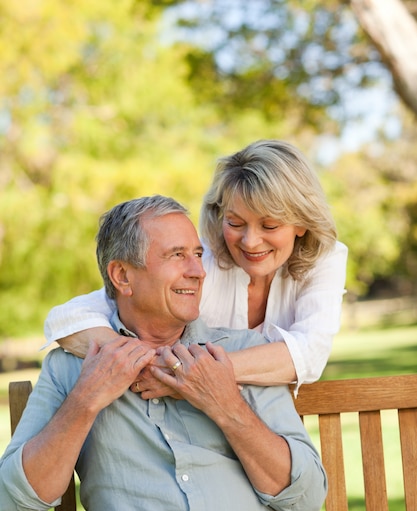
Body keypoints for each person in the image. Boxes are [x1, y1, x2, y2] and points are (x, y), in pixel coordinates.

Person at [0, 196, 371, 511]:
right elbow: (14, 504)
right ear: (122, 275)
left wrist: (225, 403)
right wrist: (86, 400)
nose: (198, 270)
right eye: (177, 256)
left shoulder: (241, 355)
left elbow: (306, 499)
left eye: (197, 254)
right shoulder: (74, 367)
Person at [43, 139, 347, 394]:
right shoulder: (201, 265)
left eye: (270, 225)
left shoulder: (325, 260)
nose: (250, 242)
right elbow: (67, 319)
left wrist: (188, 376)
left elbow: (310, 354)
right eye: (235, 222)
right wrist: (150, 366)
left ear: (302, 224)